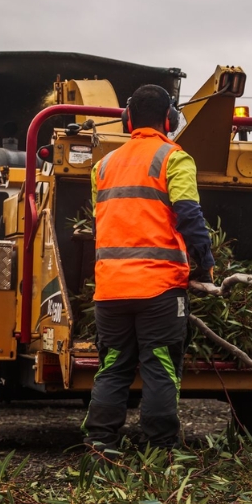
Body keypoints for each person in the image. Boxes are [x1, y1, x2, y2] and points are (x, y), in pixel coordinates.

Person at [81, 84, 215, 454]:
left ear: (127, 120)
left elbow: (101, 225)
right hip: (159, 289)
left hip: (109, 291)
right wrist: (205, 266)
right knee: (158, 366)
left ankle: (101, 441)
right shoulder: (174, 158)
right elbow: (190, 215)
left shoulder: (102, 166)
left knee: (113, 365)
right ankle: (160, 447)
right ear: (169, 120)